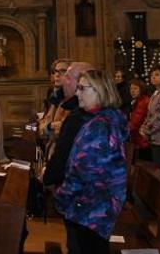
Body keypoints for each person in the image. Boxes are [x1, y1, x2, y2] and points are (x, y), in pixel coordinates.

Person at [54, 70, 128, 254]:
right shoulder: (105, 118)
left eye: (82, 88)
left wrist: (61, 196)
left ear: (99, 91)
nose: (77, 93)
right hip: (98, 203)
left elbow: (84, 171)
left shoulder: (99, 125)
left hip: (92, 207)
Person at [42, 61, 94, 188]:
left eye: (67, 76)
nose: (63, 80)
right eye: (56, 72)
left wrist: (47, 177)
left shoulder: (81, 115)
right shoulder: (61, 101)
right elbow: (44, 126)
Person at [127, 78, 151, 162]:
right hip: (138, 138)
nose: (132, 91)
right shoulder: (137, 101)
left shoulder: (143, 102)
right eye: (131, 88)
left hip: (142, 140)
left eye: (135, 88)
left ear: (141, 89)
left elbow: (135, 122)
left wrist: (122, 130)